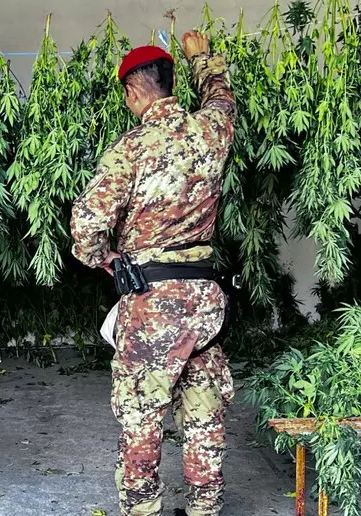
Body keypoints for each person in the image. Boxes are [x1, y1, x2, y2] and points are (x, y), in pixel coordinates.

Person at [70, 31, 237, 516]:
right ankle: (204, 509)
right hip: (205, 300)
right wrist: (202, 58)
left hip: (151, 304)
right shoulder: (212, 130)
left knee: (142, 417)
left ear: (132, 91)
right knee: (204, 412)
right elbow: (222, 98)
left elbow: (87, 221)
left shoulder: (132, 148)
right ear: (168, 83)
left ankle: (144, 510)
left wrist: (101, 258)